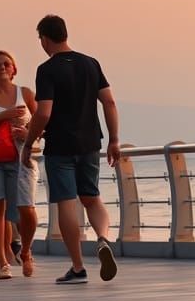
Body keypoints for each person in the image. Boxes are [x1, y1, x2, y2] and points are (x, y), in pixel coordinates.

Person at [18, 15, 121, 284]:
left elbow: (44, 113)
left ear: (44, 38)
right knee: (92, 198)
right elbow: (109, 102)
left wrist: (29, 142)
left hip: (60, 146)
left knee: (66, 202)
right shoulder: (90, 63)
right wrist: (114, 140)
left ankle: (77, 268)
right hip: (90, 143)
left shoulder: (47, 70)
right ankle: (102, 238)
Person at [0, 50, 38, 278]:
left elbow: (44, 120)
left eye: (6, 64)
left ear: (14, 69)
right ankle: (2, 263)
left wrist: (29, 133)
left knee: (26, 209)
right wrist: (4, 115)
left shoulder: (25, 93)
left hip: (21, 157)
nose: (1, 67)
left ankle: (27, 251)